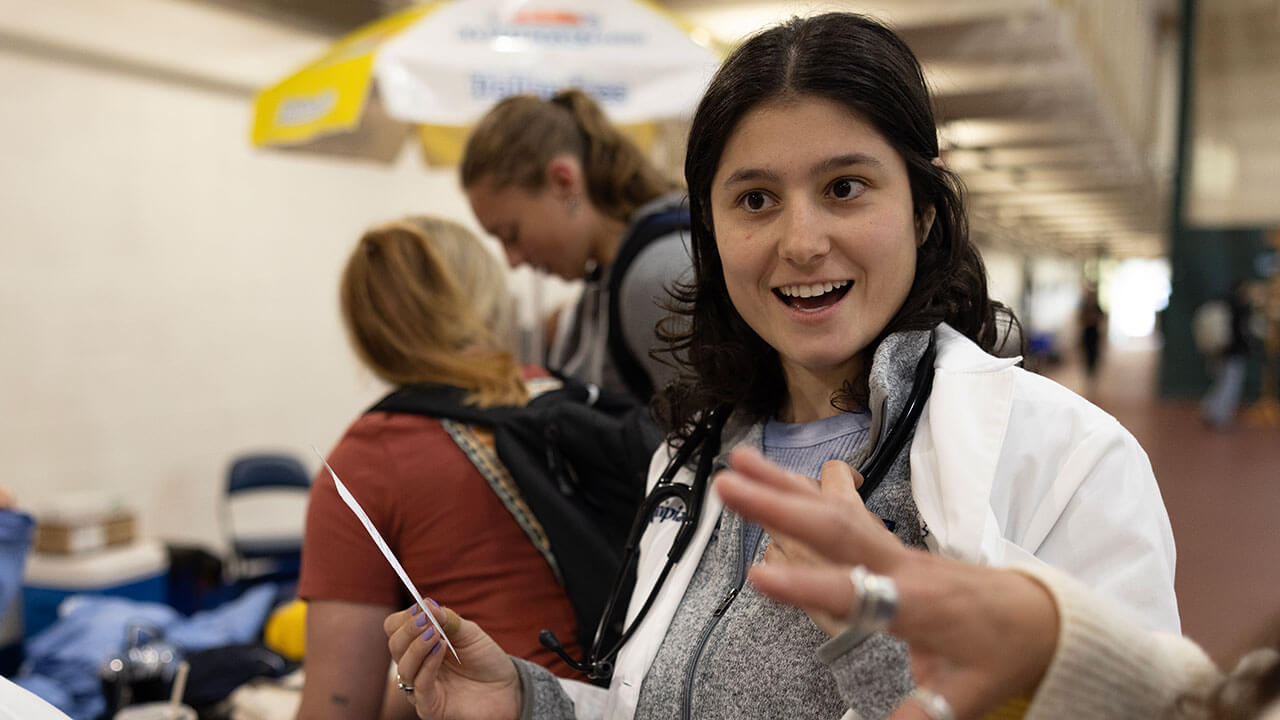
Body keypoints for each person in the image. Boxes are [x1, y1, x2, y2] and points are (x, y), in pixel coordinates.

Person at [384, 13, 1178, 720]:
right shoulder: (695, 458)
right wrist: (531, 703)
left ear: (922, 209)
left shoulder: (1066, 462)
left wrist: (871, 635)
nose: (800, 242)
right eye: (756, 200)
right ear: (711, 231)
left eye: (845, 187)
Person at [713, 446, 1280, 719]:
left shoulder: (1081, 451)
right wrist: (1072, 650)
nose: (801, 253)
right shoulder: (701, 440)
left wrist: (883, 663)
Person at [295, 217, 582, 720]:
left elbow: (339, 707)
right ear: (486, 303)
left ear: (368, 331)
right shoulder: (569, 402)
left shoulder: (369, 460)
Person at [460, 89, 690, 402]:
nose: (511, 261)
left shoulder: (657, 278)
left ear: (563, 182)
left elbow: (719, 429)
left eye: (510, 234)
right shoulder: (609, 277)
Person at [1201, 278, 1255, 430]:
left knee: (1222, 383)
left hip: (1222, 351)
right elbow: (1240, 332)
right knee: (1229, 385)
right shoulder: (1237, 306)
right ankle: (1219, 416)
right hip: (1231, 352)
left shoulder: (1224, 304)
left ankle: (1210, 411)